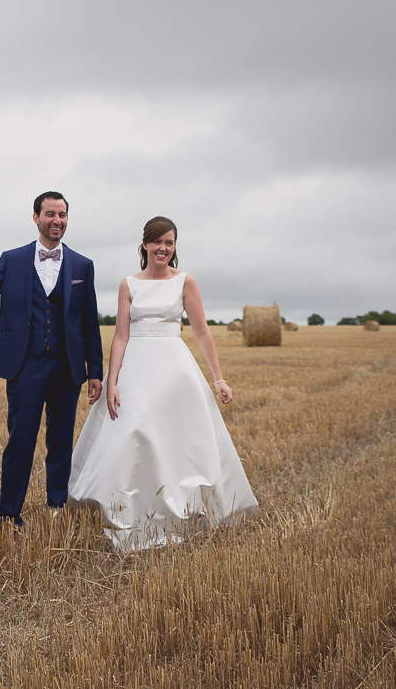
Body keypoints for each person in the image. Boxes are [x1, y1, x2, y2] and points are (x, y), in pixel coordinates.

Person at [68, 216, 258, 551]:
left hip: (174, 370)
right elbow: (121, 337)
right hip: (136, 368)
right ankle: (128, 509)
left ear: (174, 247)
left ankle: (178, 510)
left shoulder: (185, 282)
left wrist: (219, 378)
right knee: (133, 431)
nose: (163, 249)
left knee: (176, 439)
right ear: (144, 245)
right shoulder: (129, 284)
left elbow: (201, 331)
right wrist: (112, 381)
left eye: (169, 243)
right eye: (157, 242)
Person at [0, 192, 105, 527]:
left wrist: (95, 372)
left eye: (62, 215)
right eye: (49, 214)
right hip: (25, 365)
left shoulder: (83, 266)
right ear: (35, 218)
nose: (56, 220)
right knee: (21, 440)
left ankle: (56, 506)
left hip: (67, 367)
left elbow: (89, 323)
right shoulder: (13, 259)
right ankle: (9, 513)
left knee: (60, 440)